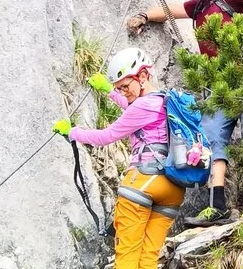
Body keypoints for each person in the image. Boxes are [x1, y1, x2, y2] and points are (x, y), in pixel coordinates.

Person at [125, 0, 243, 226]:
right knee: (210, 140)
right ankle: (217, 205)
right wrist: (144, 15)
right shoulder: (199, 7)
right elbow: (171, 10)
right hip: (219, 84)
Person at [52, 48, 183, 269]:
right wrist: (108, 91)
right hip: (173, 188)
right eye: (118, 88)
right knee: (148, 258)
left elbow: (107, 136)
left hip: (144, 182)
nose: (123, 92)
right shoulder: (164, 101)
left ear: (142, 76)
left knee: (127, 255)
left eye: (125, 86)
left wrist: (72, 132)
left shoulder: (142, 105)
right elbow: (133, 109)